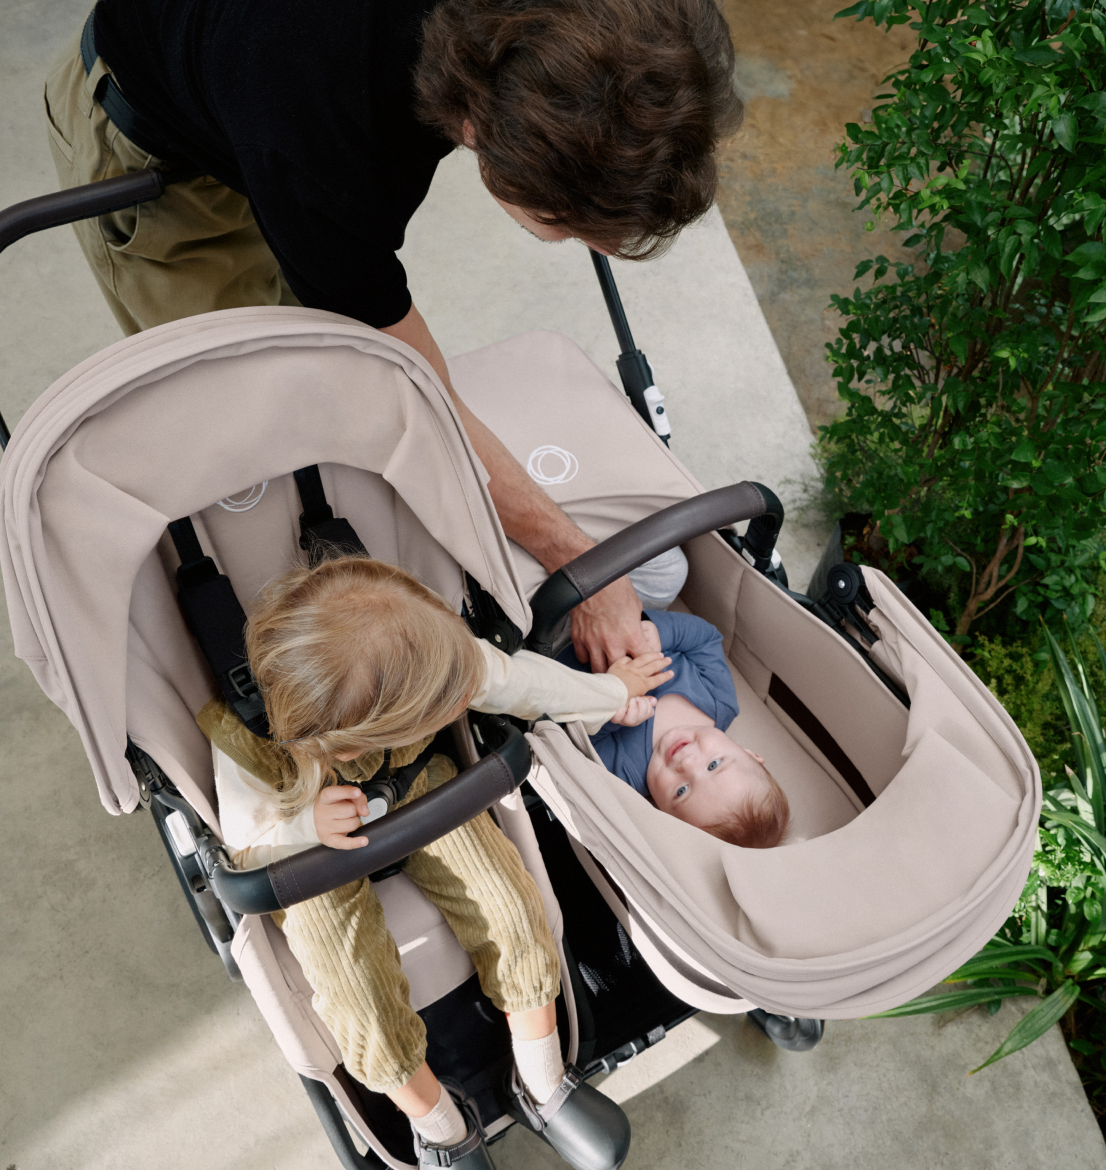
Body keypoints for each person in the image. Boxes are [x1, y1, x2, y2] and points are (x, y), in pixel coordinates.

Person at [44, 0, 743, 674]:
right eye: (562, 227)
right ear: (477, 131)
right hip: (160, 149)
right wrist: (574, 559)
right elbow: (415, 397)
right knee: (253, 428)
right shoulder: (325, 144)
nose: (567, 242)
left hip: (269, 87)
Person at [202, 555, 672, 1170]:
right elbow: (243, 839)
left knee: (509, 906)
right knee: (356, 990)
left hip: (418, 784)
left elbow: (518, 683)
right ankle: (441, 1127)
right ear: (352, 741)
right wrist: (302, 824)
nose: (461, 702)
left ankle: (541, 1080)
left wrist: (612, 694)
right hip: (308, 847)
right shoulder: (246, 743)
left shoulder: (427, 653)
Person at [566, 611, 789, 848]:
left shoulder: (626, 776)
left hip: (562, 647)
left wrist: (612, 713)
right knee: (672, 575)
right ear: (749, 753)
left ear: (661, 810)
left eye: (681, 791)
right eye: (713, 765)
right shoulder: (720, 699)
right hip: (625, 615)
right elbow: (706, 639)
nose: (687, 764)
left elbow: (575, 737)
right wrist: (661, 634)